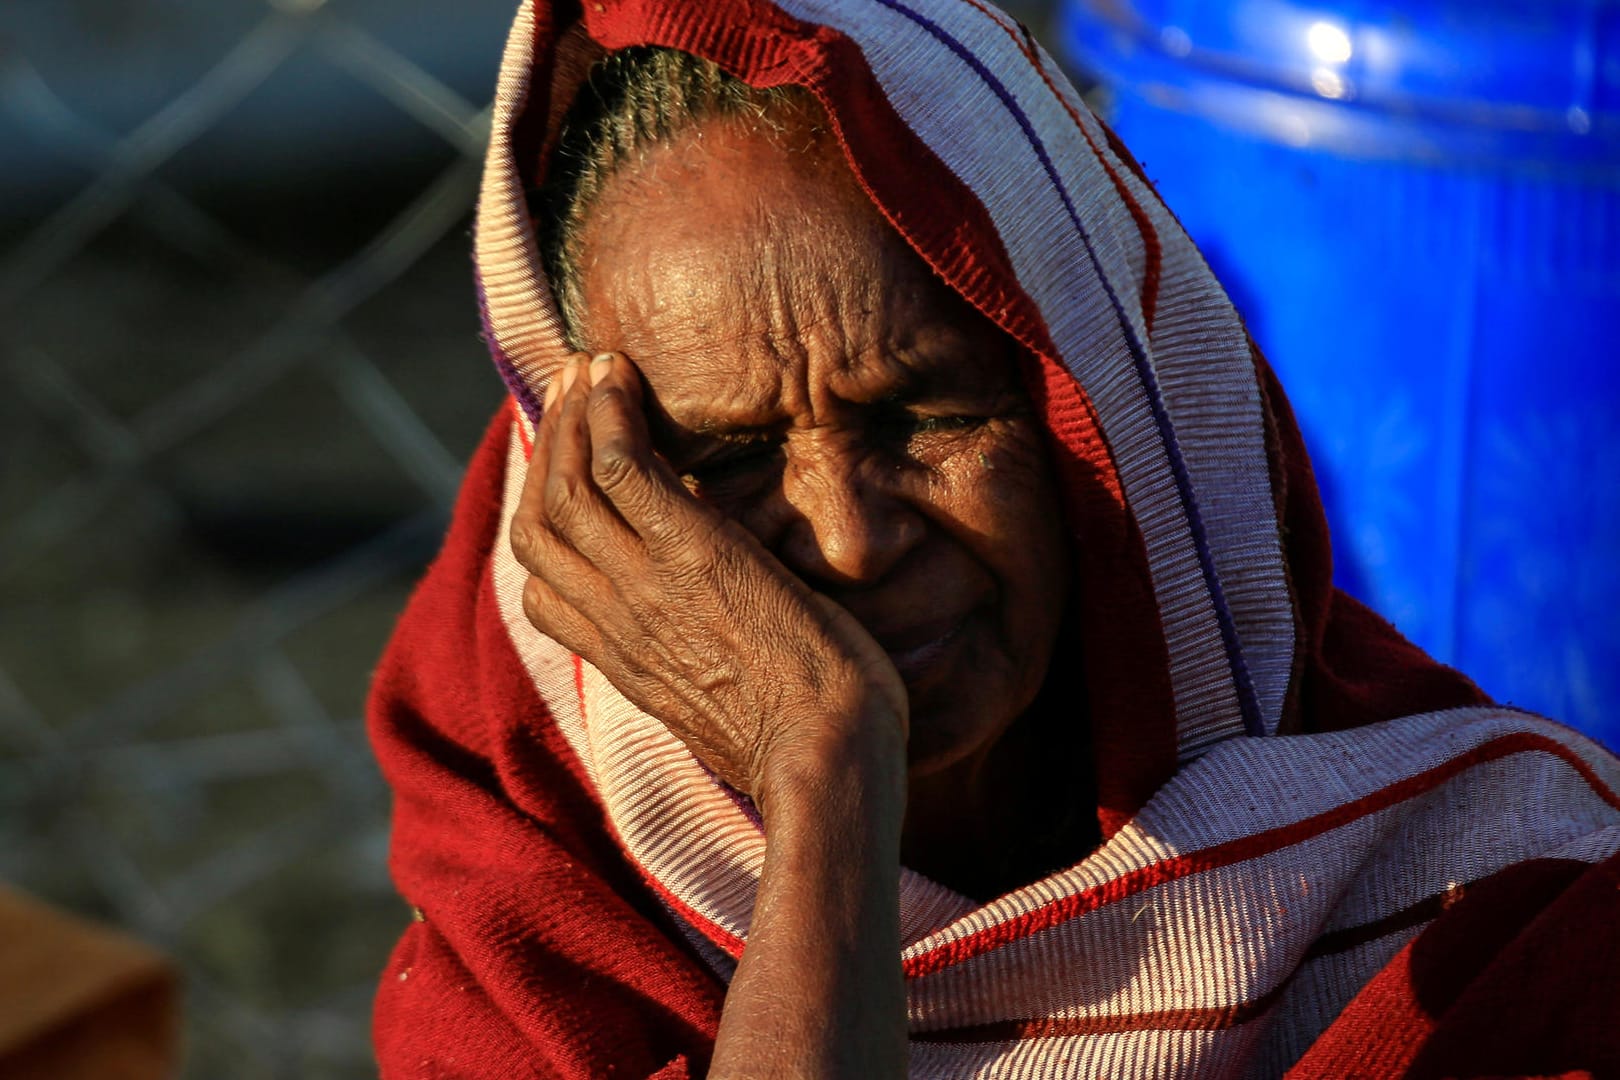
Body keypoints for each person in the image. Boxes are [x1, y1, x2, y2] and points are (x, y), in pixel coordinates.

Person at [367, 0, 1620, 1076]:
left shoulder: (1496, 919)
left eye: (928, 416)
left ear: (1108, 413)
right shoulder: (543, 911)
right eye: (731, 460)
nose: (851, 541)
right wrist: (823, 775)